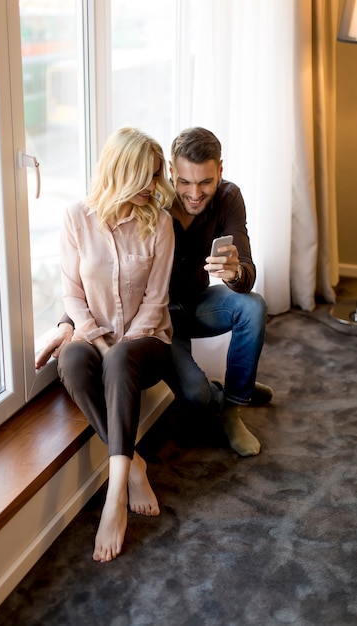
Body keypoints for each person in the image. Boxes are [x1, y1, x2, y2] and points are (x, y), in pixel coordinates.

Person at [37, 127, 272, 458]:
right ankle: (223, 392)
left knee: (253, 306)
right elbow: (101, 269)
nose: (194, 193)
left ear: (220, 170)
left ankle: (233, 408)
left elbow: (246, 273)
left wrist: (235, 273)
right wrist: (68, 323)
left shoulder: (228, 197)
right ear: (172, 172)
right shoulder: (148, 198)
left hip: (197, 303)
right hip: (158, 318)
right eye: (185, 181)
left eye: (205, 182)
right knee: (197, 398)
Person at [56, 127, 175, 563]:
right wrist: (97, 340)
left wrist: (119, 349)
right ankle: (135, 464)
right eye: (145, 176)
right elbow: (71, 292)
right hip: (97, 337)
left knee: (123, 356)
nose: (154, 186)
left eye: (157, 175)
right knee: (69, 358)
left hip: (147, 343)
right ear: (120, 173)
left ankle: (114, 496)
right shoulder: (76, 217)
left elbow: (156, 302)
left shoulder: (159, 223)